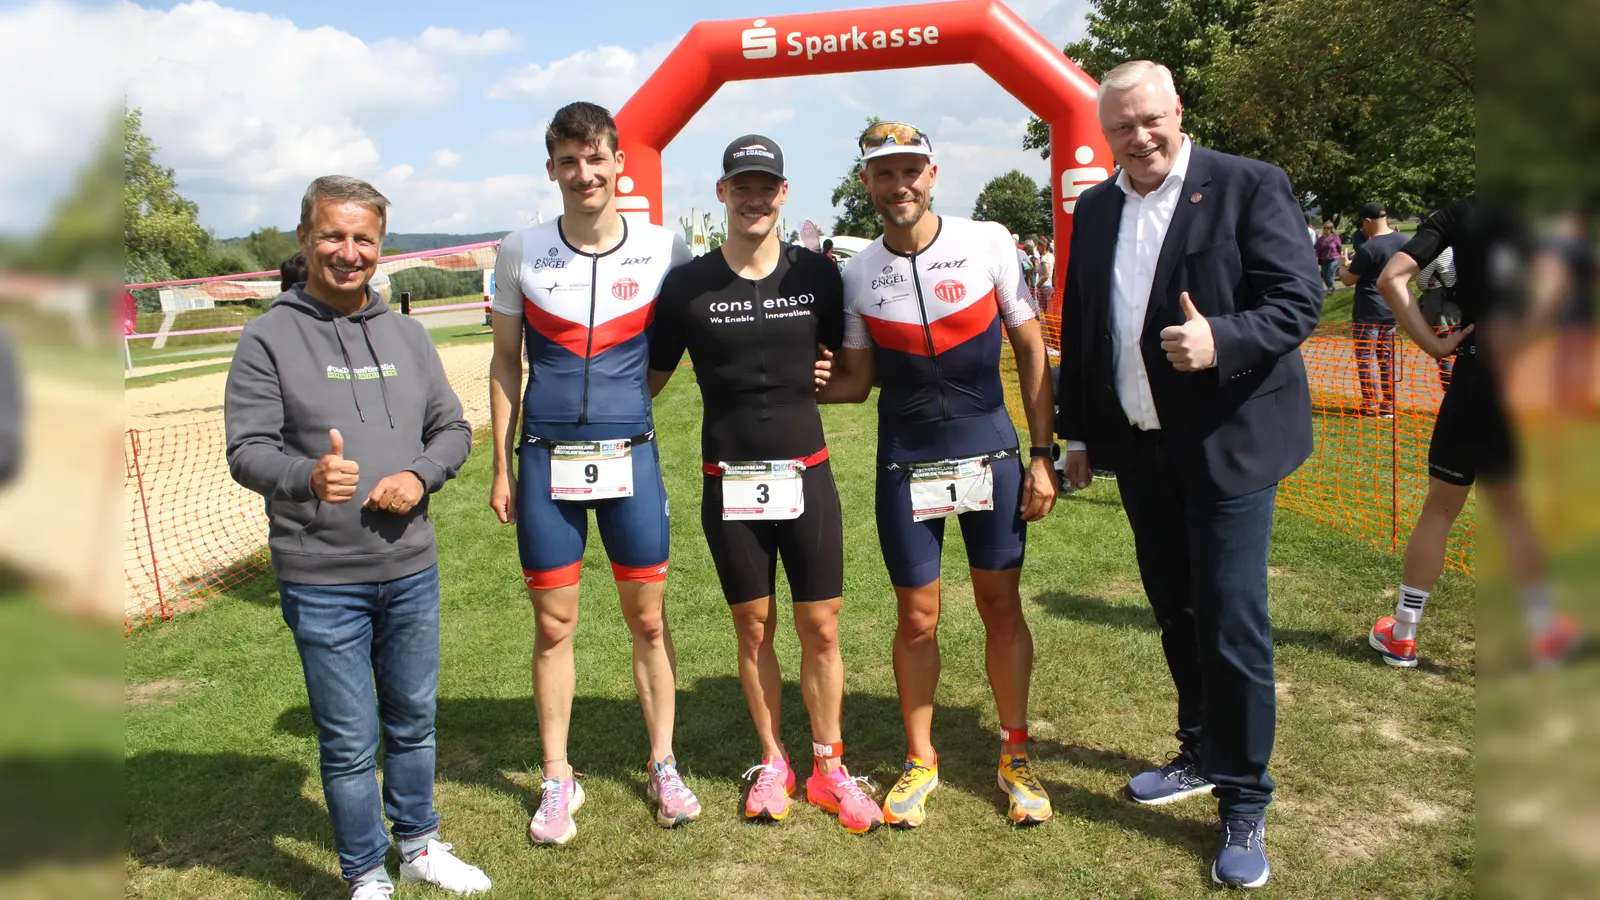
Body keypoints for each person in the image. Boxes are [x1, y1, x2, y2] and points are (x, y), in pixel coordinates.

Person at [1055, 61, 1322, 889]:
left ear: (1178, 111)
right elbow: (1087, 324)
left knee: (1232, 623)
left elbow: (1299, 298)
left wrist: (1223, 342)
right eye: (1120, 127)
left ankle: (1244, 796)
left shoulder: (1247, 185)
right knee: (1174, 607)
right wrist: (1075, 434)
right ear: (1105, 135)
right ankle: (1201, 751)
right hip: (1139, 448)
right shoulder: (1096, 206)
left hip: (1230, 445)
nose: (1138, 139)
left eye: (1150, 120)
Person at [225, 176, 490, 898]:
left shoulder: (406, 333)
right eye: (333, 236)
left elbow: (454, 428)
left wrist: (420, 474)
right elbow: (246, 450)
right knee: (348, 739)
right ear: (307, 240)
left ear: (381, 246)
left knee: (413, 719)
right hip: (320, 576)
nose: (349, 252)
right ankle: (367, 873)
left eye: (363, 238)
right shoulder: (267, 338)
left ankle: (420, 844)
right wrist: (308, 476)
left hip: (409, 567)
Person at [818, 120, 1060, 829]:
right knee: (916, 617)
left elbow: (1030, 345)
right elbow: (857, 380)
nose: (900, 185)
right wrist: (773, 384)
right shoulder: (858, 272)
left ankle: (1014, 753)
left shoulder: (986, 241)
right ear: (867, 183)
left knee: (999, 606)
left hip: (991, 450)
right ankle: (920, 760)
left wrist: (1042, 455)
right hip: (907, 462)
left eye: (911, 170)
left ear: (933, 174)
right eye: (884, 173)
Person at [647, 135, 881, 834]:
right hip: (730, 484)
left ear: (784, 194)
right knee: (753, 627)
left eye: (766, 187)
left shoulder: (818, 276)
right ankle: (774, 760)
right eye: (740, 186)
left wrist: (828, 384)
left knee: (822, 625)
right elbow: (649, 382)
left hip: (806, 477)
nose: (754, 198)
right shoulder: (687, 286)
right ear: (722, 193)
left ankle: (829, 766)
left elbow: (853, 376)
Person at [487, 102, 699, 846]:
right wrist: (501, 465)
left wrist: (630, 411)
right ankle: (557, 777)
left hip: (628, 458)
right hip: (544, 462)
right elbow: (504, 366)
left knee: (648, 618)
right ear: (552, 169)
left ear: (619, 165)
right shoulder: (520, 250)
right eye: (568, 161)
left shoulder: (664, 248)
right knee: (554, 623)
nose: (584, 174)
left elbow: (678, 348)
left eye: (596, 158)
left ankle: (664, 763)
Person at [1367, 195, 1581, 669]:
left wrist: (1433, 344)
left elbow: (1390, 278)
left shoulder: (1459, 212)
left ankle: (1402, 635)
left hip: (1476, 373)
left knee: (1441, 508)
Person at [1339, 202, 1407, 417]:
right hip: (1393, 309)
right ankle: (1388, 405)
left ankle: (1370, 403)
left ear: (1367, 221)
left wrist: (1342, 265)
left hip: (1368, 310)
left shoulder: (1369, 247)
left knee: (1366, 357)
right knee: (1386, 358)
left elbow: (1349, 280)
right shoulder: (1404, 241)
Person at [1415, 240, 1459, 390]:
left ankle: (1450, 390)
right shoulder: (1458, 249)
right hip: (1459, 306)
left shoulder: (1437, 253)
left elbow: (1421, 282)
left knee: (1443, 350)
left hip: (1441, 309)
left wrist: (1429, 283)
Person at [1314, 222, 1343, 294]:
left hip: (1334, 259)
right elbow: (1318, 250)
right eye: (1325, 228)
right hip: (1324, 260)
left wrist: (1340, 256)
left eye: (1328, 228)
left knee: (1330, 275)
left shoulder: (1335, 237)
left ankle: (1331, 289)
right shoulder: (1321, 239)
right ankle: (1330, 287)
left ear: (1331, 229)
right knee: (1324, 275)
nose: (1326, 229)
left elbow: (1339, 247)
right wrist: (1315, 257)